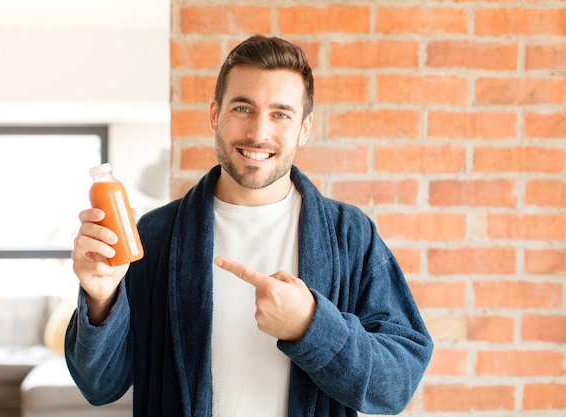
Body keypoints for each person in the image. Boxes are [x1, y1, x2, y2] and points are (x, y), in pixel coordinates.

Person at [66, 35, 433, 417]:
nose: (258, 133)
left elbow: (397, 385)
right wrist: (100, 299)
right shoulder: (157, 234)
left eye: (280, 114)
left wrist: (311, 326)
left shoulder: (350, 235)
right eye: (243, 108)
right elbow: (99, 386)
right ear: (214, 115)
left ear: (304, 128)